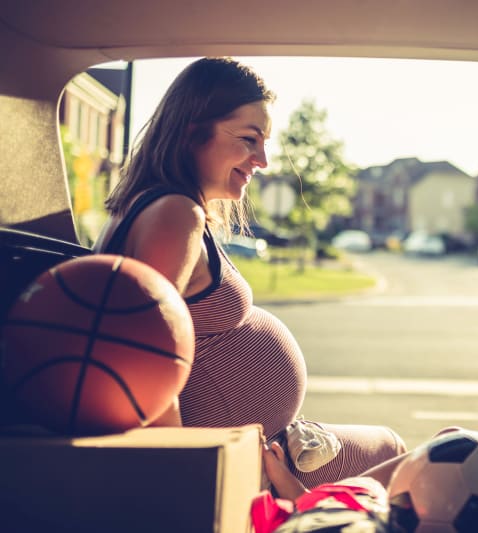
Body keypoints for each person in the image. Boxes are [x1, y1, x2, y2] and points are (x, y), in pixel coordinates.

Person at [94, 57, 406, 488]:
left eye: (265, 141)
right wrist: (179, 474)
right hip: (232, 462)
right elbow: (144, 353)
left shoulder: (154, 205)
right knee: (400, 457)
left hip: (262, 446)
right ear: (192, 130)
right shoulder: (173, 213)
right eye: (248, 139)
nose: (262, 159)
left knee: (397, 453)